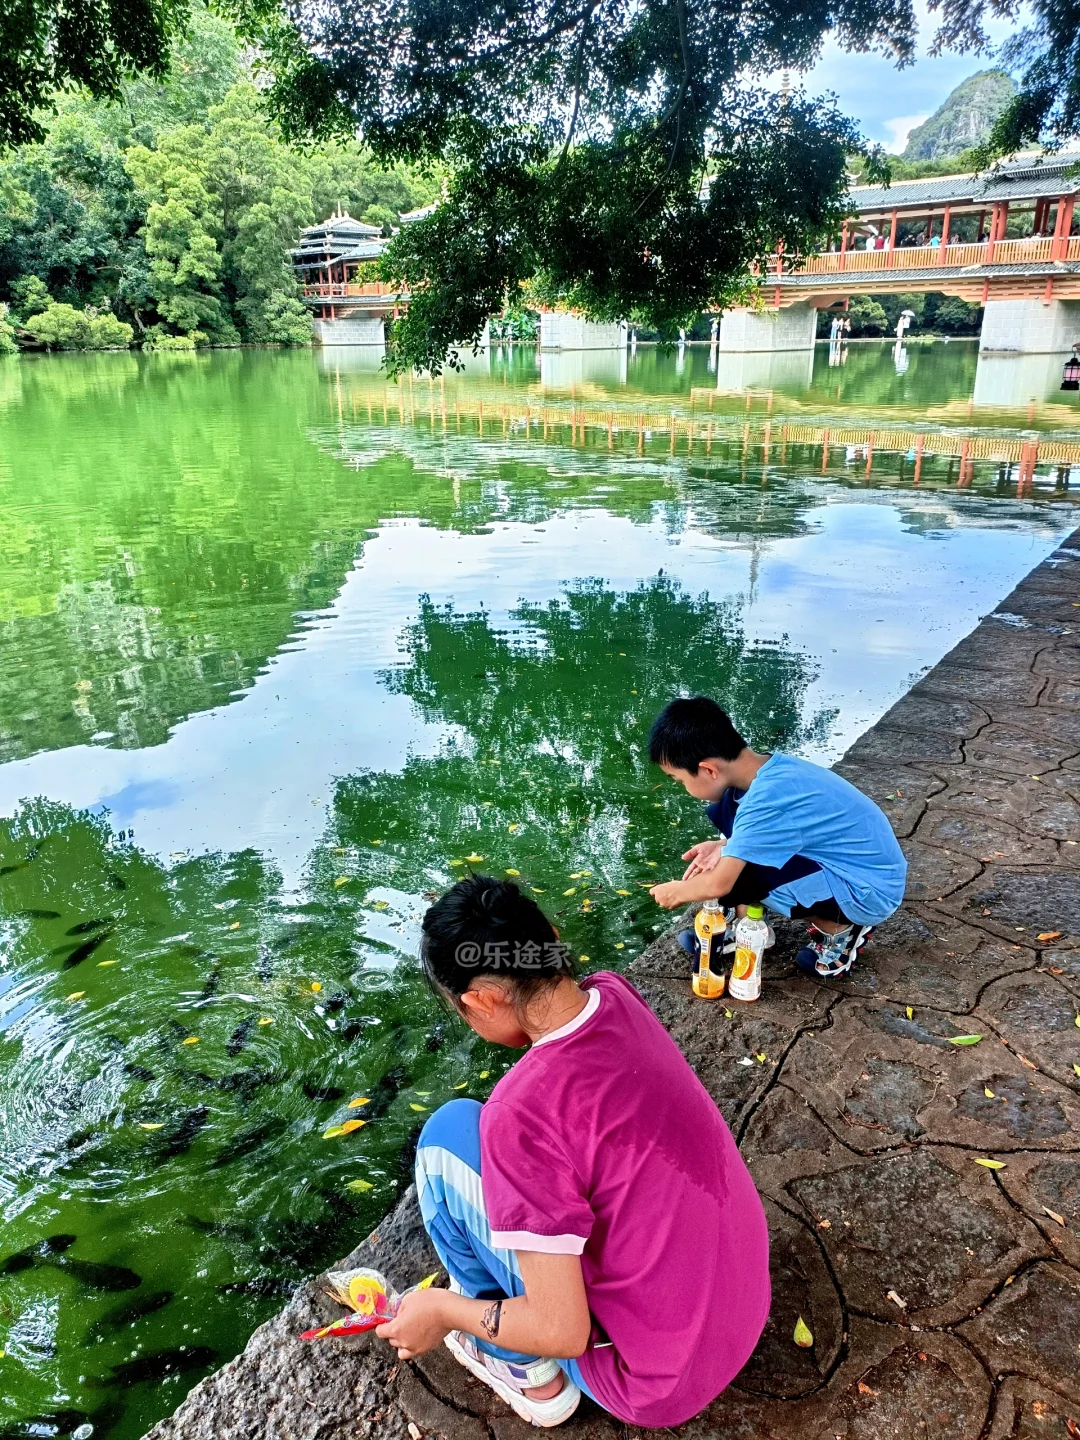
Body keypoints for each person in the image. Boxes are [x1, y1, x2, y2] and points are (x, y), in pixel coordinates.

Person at [375, 875, 771, 1428]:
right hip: (743, 1309)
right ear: (551, 939)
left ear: (482, 999)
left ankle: (529, 1376)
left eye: (462, 1009)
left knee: (445, 1141)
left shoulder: (519, 1114)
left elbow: (563, 1331)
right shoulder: (613, 994)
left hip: (653, 1381)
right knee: (475, 1128)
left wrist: (441, 1311)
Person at [646, 696, 907, 978]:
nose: (682, 787)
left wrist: (676, 892)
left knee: (740, 876)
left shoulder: (767, 800)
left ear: (708, 769)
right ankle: (750, 926)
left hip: (867, 891)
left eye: (680, 779)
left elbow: (719, 884)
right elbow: (769, 827)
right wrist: (724, 845)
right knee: (728, 812)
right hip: (859, 868)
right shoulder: (766, 769)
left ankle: (842, 929)